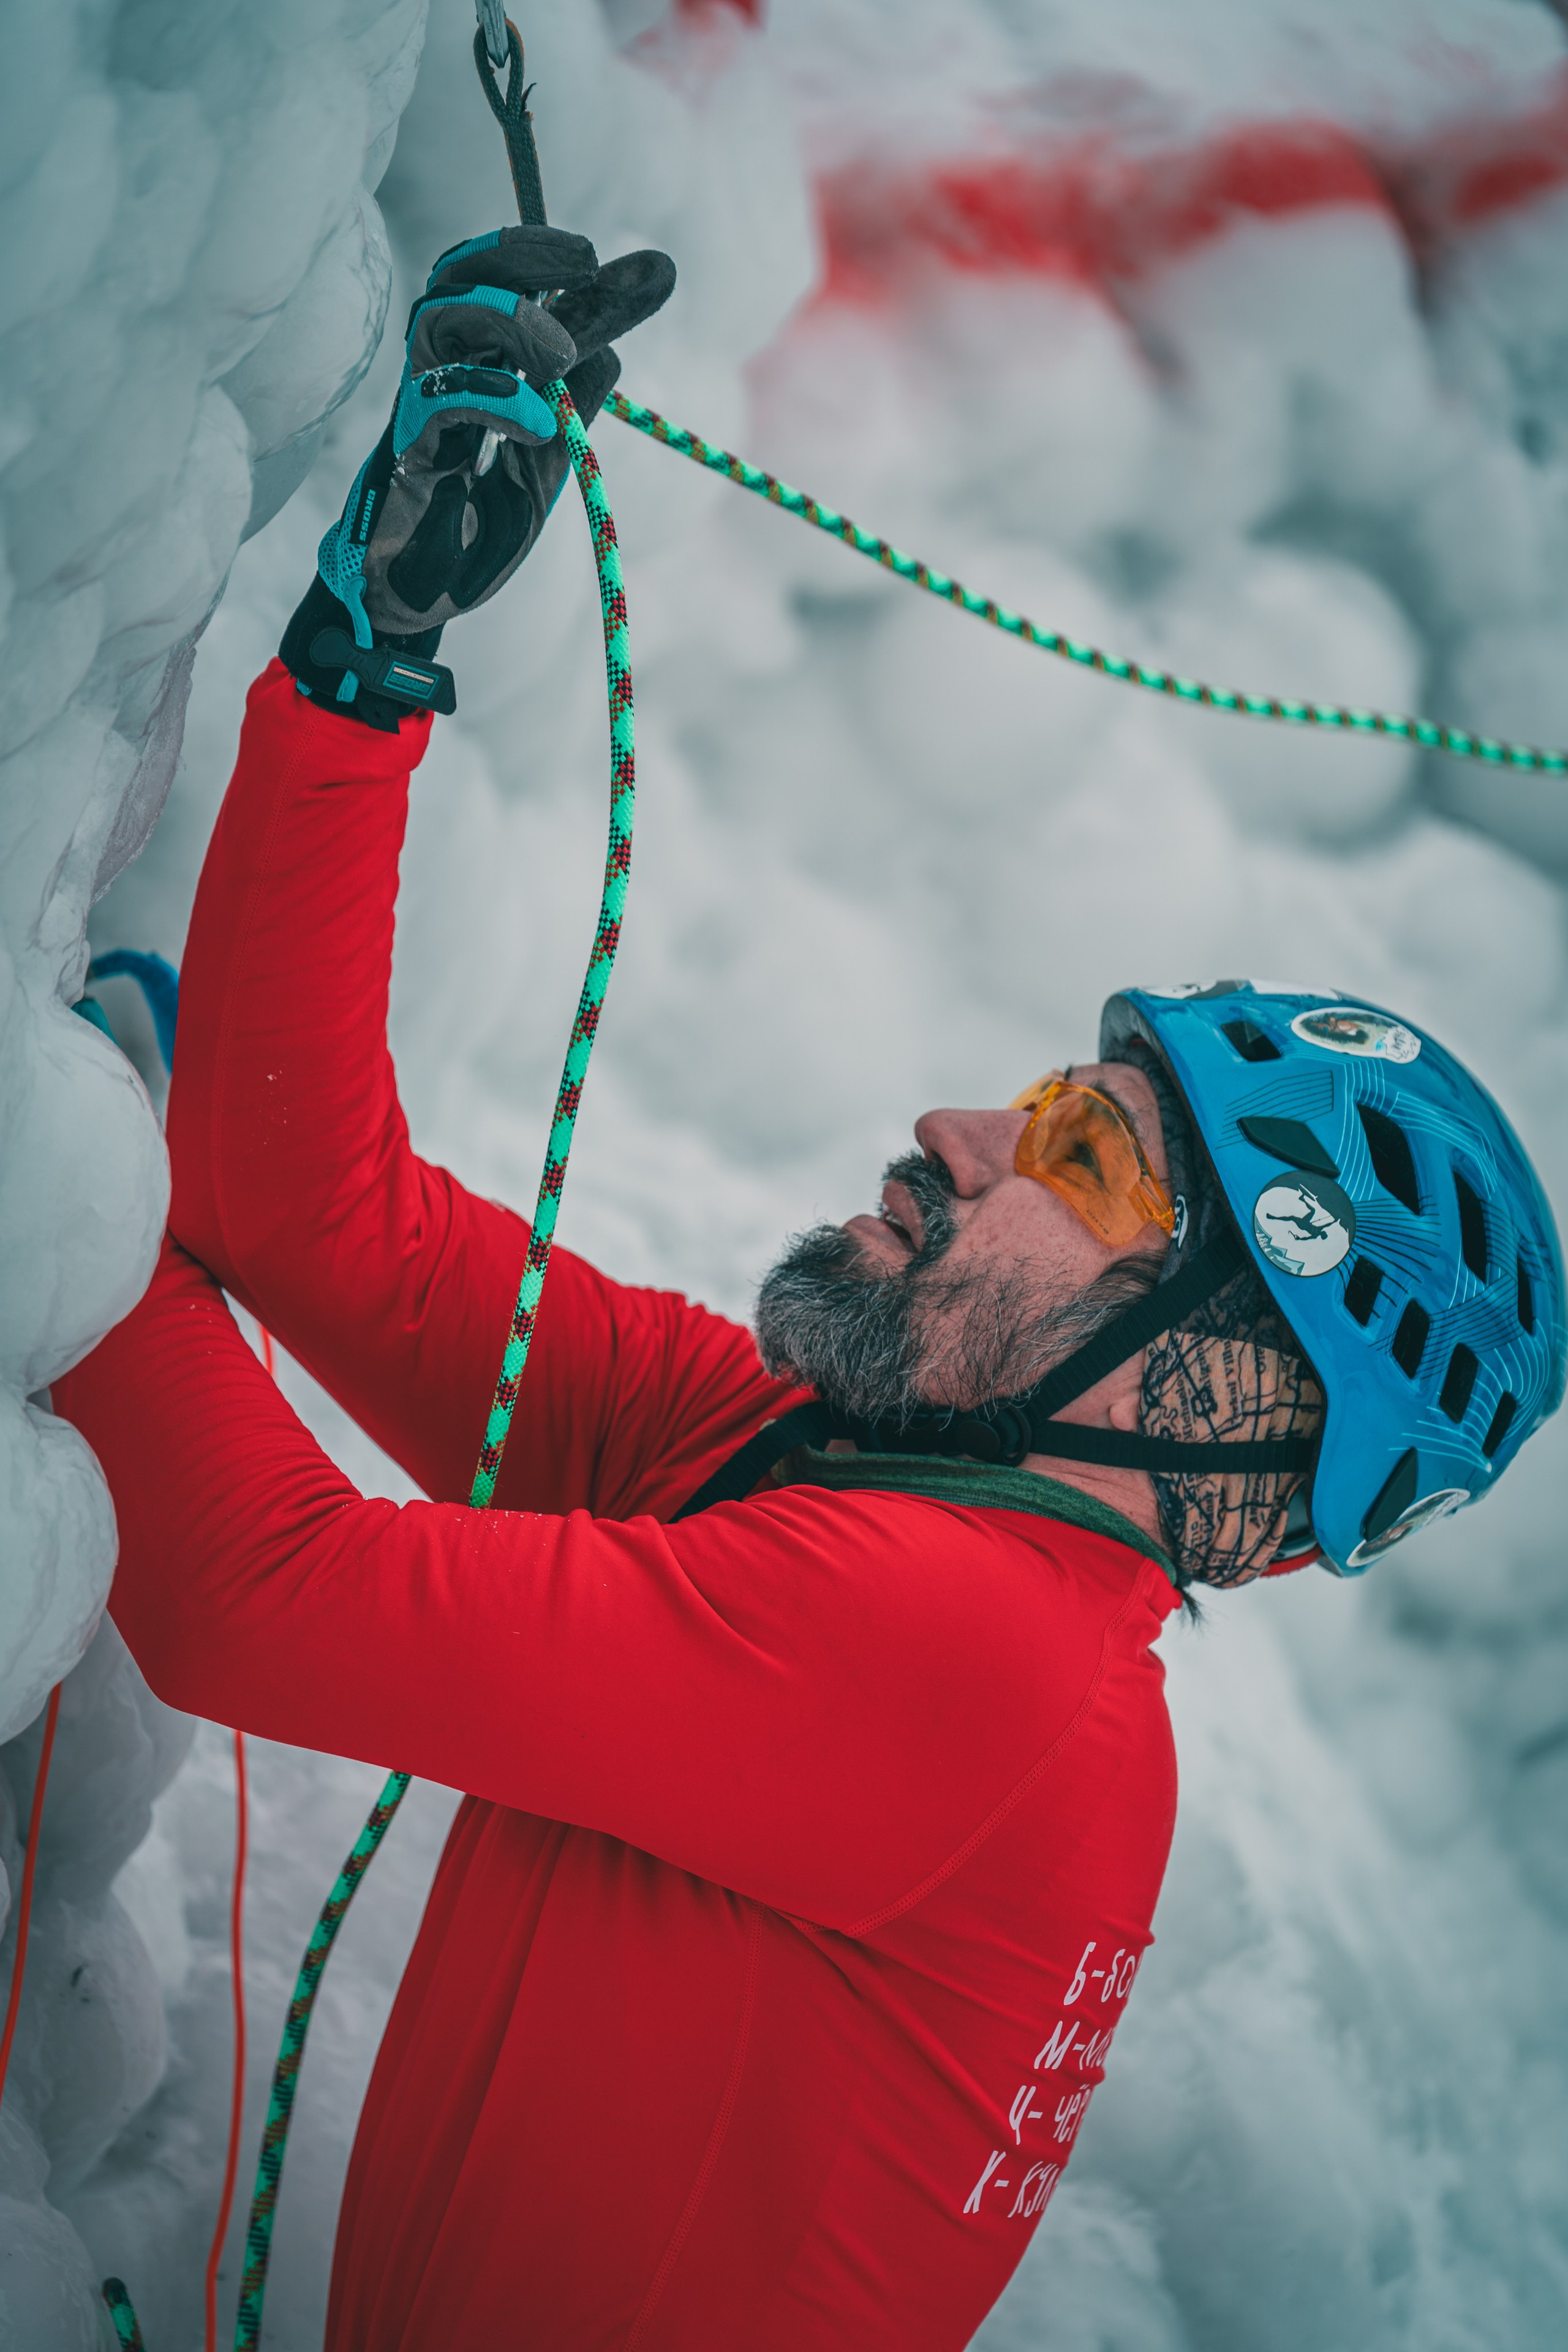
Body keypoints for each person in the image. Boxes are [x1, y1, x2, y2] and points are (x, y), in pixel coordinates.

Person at [56, 225, 1565, 2350]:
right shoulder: (829, 1475)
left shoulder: (972, 1672)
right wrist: (370, 659)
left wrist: (54, 1148)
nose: (959, 1129)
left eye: (1080, 1156)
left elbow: (254, 1594)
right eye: (1049, 1096)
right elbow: (325, 1221)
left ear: (1207, 1380)